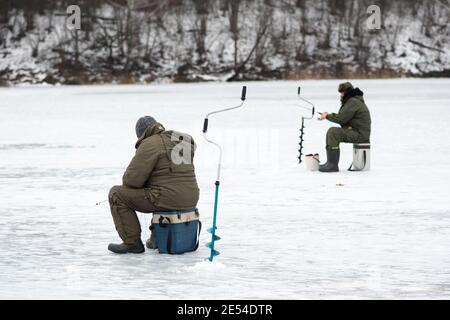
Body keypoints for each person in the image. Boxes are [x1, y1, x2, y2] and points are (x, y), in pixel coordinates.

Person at [108, 116, 200, 254]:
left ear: (141, 133)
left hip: (168, 197)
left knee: (116, 193)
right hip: (191, 197)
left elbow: (131, 180)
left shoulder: (150, 143)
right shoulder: (182, 139)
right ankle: (156, 238)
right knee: (160, 188)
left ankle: (132, 242)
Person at [318, 82, 371, 172]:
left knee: (333, 132)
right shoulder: (353, 100)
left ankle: (332, 165)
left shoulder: (353, 101)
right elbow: (344, 118)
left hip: (360, 134)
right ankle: (329, 162)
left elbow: (341, 119)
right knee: (331, 132)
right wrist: (328, 115)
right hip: (357, 131)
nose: (341, 95)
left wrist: (327, 116)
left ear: (347, 92)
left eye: (342, 92)